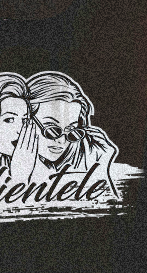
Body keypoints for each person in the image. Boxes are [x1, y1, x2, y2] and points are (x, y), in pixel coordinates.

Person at [15, 71, 120, 199]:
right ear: (25, 120)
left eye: (72, 131)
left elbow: (108, 209)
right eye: (52, 130)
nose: (62, 141)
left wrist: (100, 166)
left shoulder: (78, 163)